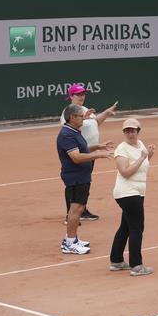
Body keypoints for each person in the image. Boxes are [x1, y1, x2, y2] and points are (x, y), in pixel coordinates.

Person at [56, 104, 114, 254]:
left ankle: (72, 239)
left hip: (81, 176)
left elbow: (82, 149)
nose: (84, 119)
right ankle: (69, 243)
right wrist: (99, 155)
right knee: (76, 210)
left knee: (79, 208)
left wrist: (98, 147)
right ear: (72, 118)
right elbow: (76, 157)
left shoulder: (74, 131)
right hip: (75, 177)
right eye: (81, 116)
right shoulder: (67, 135)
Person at [62, 84, 118, 222]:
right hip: (78, 153)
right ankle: (70, 214)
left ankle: (81, 210)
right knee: (74, 183)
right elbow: (67, 129)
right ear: (71, 96)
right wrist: (85, 118)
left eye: (83, 94)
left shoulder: (86, 110)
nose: (82, 96)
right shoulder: (68, 112)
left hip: (89, 151)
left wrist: (106, 112)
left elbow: (95, 122)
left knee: (84, 182)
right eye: (78, 94)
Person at [109, 118, 155, 276]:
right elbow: (126, 172)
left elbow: (142, 167)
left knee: (126, 227)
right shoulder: (122, 149)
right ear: (123, 133)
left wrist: (149, 155)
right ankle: (137, 265)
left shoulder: (140, 144)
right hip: (127, 193)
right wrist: (142, 157)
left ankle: (116, 260)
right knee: (137, 227)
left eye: (133, 130)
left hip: (136, 192)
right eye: (127, 130)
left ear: (138, 131)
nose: (130, 133)